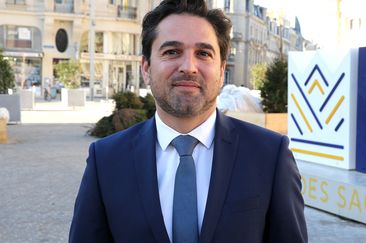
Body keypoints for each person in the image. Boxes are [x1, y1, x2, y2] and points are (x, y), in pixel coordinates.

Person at [69, 0, 307, 242]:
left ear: (222, 69)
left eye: (203, 53)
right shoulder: (106, 160)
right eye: (172, 52)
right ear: (146, 69)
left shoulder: (270, 156)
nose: (189, 67)